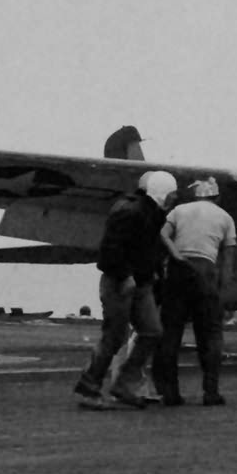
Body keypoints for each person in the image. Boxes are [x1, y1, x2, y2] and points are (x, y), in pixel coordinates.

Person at [73, 171, 182, 408]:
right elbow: (110, 249)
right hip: (120, 283)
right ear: (162, 191)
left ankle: (123, 383)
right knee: (114, 336)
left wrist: (153, 273)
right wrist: (125, 276)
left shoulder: (153, 214)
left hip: (141, 283)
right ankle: (88, 388)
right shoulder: (130, 210)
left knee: (152, 331)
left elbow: (147, 249)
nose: (175, 199)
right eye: (172, 194)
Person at [152, 176, 237, 406]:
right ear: (216, 197)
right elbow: (228, 261)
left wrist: (176, 254)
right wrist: (222, 292)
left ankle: (170, 393)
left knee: (171, 332)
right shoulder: (225, 217)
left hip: (178, 271)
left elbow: (161, 234)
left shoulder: (179, 210)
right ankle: (210, 392)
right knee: (210, 334)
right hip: (205, 271)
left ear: (196, 194)